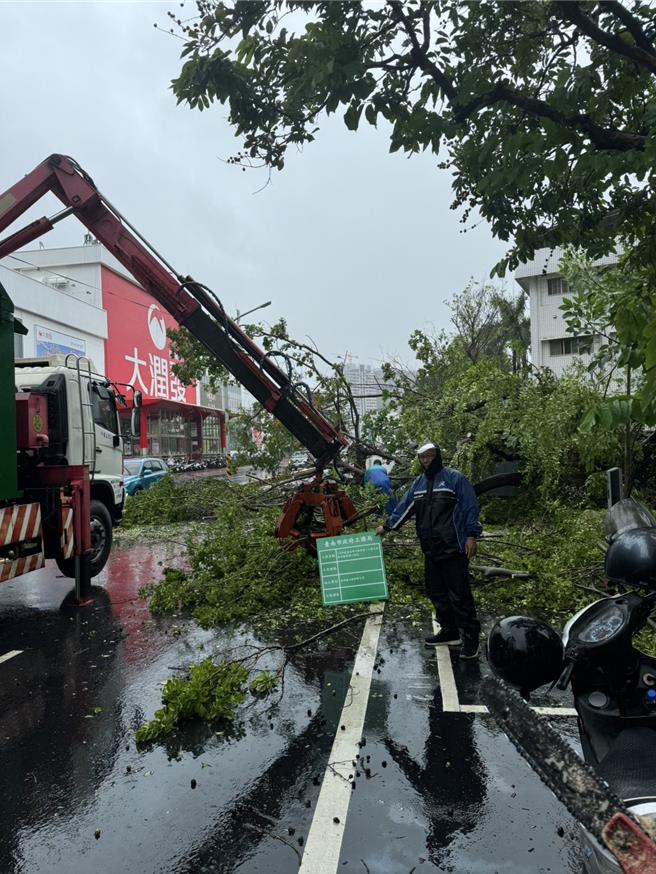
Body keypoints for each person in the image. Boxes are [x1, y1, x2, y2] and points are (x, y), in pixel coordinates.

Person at [376, 442, 482, 659]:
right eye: (422, 458)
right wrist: (387, 527)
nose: (426, 461)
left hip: (454, 547)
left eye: (430, 456)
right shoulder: (419, 484)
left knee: (460, 595)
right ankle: (449, 631)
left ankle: (471, 639)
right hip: (431, 549)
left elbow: (470, 506)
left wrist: (471, 535)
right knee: (436, 591)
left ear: (438, 456)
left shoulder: (455, 479)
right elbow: (404, 507)